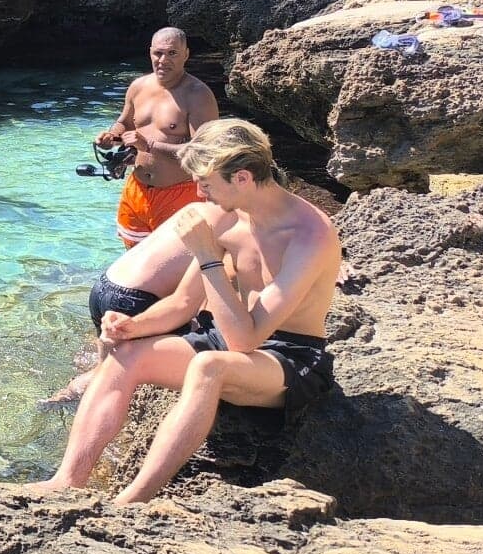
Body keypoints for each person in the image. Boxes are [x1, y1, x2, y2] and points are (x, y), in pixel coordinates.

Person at [30, 119, 341, 504]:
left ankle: (131, 502)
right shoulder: (231, 217)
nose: (197, 191)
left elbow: (247, 339)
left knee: (209, 366)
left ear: (242, 177)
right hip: (228, 337)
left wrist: (208, 254)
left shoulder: (309, 235)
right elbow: (183, 303)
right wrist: (130, 326)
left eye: (206, 183)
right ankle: (68, 480)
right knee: (124, 357)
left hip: (290, 356)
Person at [46, 202, 237, 403]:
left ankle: (71, 393)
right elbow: (205, 288)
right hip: (134, 299)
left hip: (106, 284)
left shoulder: (196, 208)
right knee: (114, 379)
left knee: (106, 365)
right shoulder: (231, 222)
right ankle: (68, 396)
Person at [101, 27, 219, 248]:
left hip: (180, 193)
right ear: (150, 53)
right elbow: (124, 123)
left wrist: (149, 145)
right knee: (132, 267)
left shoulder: (198, 95)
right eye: (158, 53)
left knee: (174, 270)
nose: (163, 60)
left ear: (186, 55)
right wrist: (111, 136)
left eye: (172, 53)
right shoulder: (138, 87)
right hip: (137, 190)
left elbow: (203, 153)